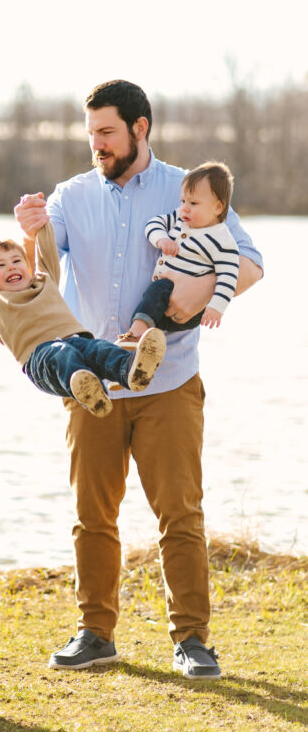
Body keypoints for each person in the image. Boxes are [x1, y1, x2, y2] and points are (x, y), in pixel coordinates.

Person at [15, 80, 263, 679]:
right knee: (92, 516)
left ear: (140, 128)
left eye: (107, 132)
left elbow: (251, 263)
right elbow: (41, 270)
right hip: (93, 386)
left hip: (170, 381)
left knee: (180, 515)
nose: (97, 144)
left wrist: (196, 296)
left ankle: (193, 641)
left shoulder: (189, 189)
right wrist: (29, 227)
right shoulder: (72, 196)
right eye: (91, 134)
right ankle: (95, 634)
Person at [0, 216, 167, 416]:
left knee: (99, 348)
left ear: (27, 267)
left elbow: (47, 250)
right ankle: (87, 389)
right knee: (63, 354)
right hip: (40, 358)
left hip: (77, 341)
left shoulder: (45, 282)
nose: (11, 267)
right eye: (0, 265)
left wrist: (42, 223)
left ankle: (130, 371)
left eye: (16, 261)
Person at [116, 161, 239, 346]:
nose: (185, 208)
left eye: (193, 203)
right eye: (183, 201)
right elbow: (154, 223)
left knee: (158, 289)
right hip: (161, 305)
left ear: (218, 207)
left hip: (189, 310)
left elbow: (228, 276)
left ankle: (136, 332)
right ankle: (146, 344)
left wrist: (216, 307)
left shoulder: (222, 240)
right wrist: (162, 239)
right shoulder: (179, 218)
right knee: (152, 302)